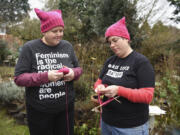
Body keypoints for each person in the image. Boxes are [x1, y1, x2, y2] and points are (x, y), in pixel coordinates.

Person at [14, 8, 82, 135]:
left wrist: (73, 73)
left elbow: (78, 69)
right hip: (39, 112)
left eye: (61, 30)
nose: (59, 34)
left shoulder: (67, 46)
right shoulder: (30, 48)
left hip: (65, 110)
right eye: (54, 31)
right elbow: (19, 78)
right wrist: (46, 76)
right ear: (44, 31)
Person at [94, 17, 155, 135]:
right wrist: (100, 88)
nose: (112, 45)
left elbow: (147, 96)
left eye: (115, 40)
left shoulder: (141, 62)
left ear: (126, 39)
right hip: (107, 123)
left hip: (131, 127)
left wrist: (119, 90)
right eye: (110, 42)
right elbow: (98, 82)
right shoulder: (110, 61)